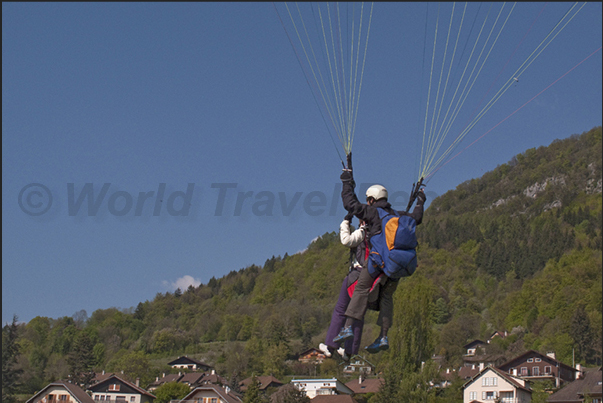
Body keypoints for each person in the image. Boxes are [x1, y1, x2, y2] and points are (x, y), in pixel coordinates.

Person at [333, 158, 426, 353]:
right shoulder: (397, 215)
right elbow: (417, 218)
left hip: (377, 262)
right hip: (396, 266)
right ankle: (383, 337)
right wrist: (420, 201)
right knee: (386, 299)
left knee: (361, 288)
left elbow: (350, 204)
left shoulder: (372, 212)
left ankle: (348, 328)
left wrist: (346, 181)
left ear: (371, 200)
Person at [319, 214, 385, 361]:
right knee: (358, 314)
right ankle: (349, 351)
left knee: (341, 310)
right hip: (373, 279)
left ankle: (330, 345)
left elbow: (346, 240)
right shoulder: (381, 236)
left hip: (357, 276)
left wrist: (345, 222)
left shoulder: (363, 232)